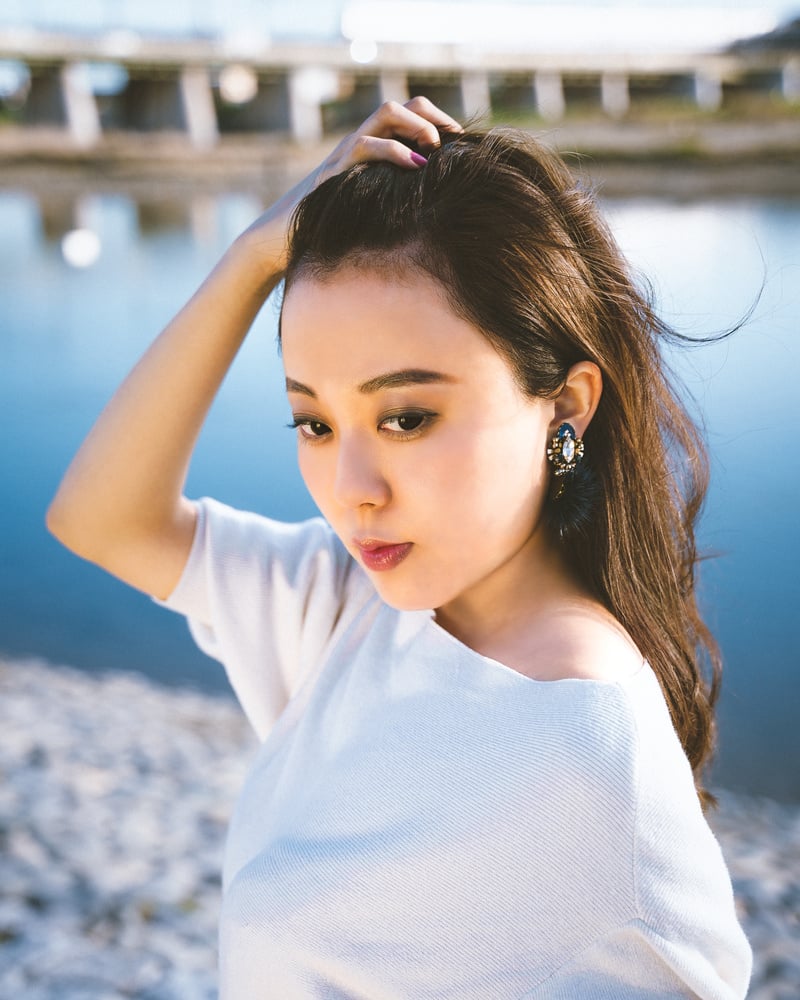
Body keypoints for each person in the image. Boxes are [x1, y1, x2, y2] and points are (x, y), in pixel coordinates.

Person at [47, 98, 752, 998]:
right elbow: (101, 519)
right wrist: (255, 254)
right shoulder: (351, 607)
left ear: (566, 408)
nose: (353, 488)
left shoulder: (587, 747)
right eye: (313, 421)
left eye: (407, 417)